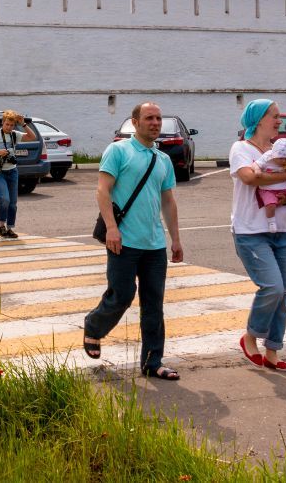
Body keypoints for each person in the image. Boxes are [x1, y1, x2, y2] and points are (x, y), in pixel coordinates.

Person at [82, 102, 184, 381]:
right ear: (135, 122)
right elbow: (103, 191)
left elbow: (168, 200)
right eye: (149, 118)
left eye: (159, 118)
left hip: (153, 245)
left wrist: (175, 239)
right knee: (122, 294)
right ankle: (93, 325)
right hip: (123, 241)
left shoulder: (162, 159)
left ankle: (153, 361)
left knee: (154, 304)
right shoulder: (118, 151)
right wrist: (112, 228)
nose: (155, 123)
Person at [230, 99, 286, 373]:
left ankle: (272, 351)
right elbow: (250, 178)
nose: (278, 121)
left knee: (283, 293)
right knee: (271, 287)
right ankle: (250, 336)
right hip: (251, 232)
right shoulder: (241, 149)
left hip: (283, 231)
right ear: (259, 119)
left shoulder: (278, 151)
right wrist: (285, 176)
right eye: (274, 116)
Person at [0, 110, 37, 239]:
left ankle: (10, 228)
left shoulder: (15, 135)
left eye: (11, 125)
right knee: (4, 199)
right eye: (6, 124)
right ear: (2, 123)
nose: (9, 127)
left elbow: (32, 137)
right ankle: (1, 225)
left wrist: (23, 124)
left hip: (12, 171)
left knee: (13, 202)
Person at [255, 137, 286, 232]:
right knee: (270, 204)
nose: (284, 161)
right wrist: (257, 170)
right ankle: (271, 222)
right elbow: (256, 165)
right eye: (281, 158)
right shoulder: (267, 158)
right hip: (269, 189)